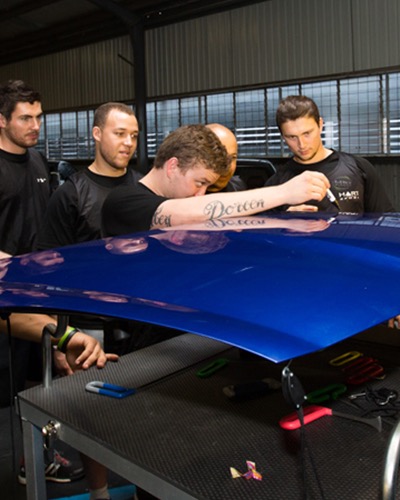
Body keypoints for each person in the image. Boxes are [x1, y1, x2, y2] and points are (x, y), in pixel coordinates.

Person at [0, 80, 117, 486]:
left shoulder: (37, 162)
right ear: (2, 121)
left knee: (44, 378)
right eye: (25, 118)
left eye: (38, 116)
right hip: (4, 296)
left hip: (38, 290)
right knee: (9, 384)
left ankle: (36, 458)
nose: (35, 125)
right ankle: (20, 461)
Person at [101, 124, 330, 236]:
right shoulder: (123, 201)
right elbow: (184, 212)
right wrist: (284, 192)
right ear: (172, 166)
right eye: (200, 182)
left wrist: (281, 221)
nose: (201, 193)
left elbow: (231, 223)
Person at [265, 94, 395, 214]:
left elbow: (384, 221)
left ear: (320, 125)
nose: (302, 144)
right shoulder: (276, 185)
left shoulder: (359, 168)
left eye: (307, 133)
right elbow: (266, 235)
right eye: (292, 137)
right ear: (283, 136)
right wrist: (285, 220)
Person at [38, 102, 142, 249]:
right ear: (97, 134)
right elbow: (50, 257)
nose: (129, 142)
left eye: (134, 136)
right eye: (120, 134)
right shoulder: (71, 195)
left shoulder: (144, 186)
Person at [205, 123, 246, 192]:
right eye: (220, 157)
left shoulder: (238, 188)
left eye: (233, 157)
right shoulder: (183, 196)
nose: (228, 167)